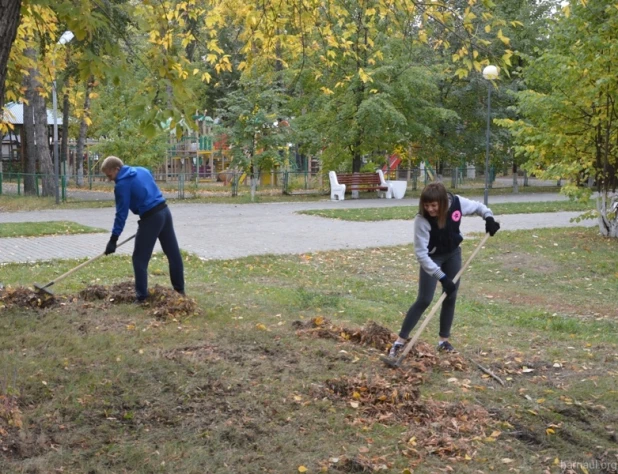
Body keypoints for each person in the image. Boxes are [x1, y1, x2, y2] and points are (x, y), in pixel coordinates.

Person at [389, 182, 500, 356]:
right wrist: (441, 277)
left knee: (451, 295)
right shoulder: (422, 220)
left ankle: (443, 341)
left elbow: (479, 207)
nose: (430, 209)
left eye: (434, 205)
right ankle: (399, 342)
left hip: (453, 253)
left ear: (442, 202)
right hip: (432, 258)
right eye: (426, 205)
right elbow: (421, 255)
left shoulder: (456, 203)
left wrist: (489, 218)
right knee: (425, 299)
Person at [101, 156, 185, 303]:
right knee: (173, 254)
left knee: (139, 258)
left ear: (117, 169)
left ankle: (141, 297)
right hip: (164, 212)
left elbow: (121, 214)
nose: (109, 179)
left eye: (110, 175)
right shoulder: (142, 170)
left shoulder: (122, 185)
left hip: (151, 218)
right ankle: (180, 291)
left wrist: (113, 239)